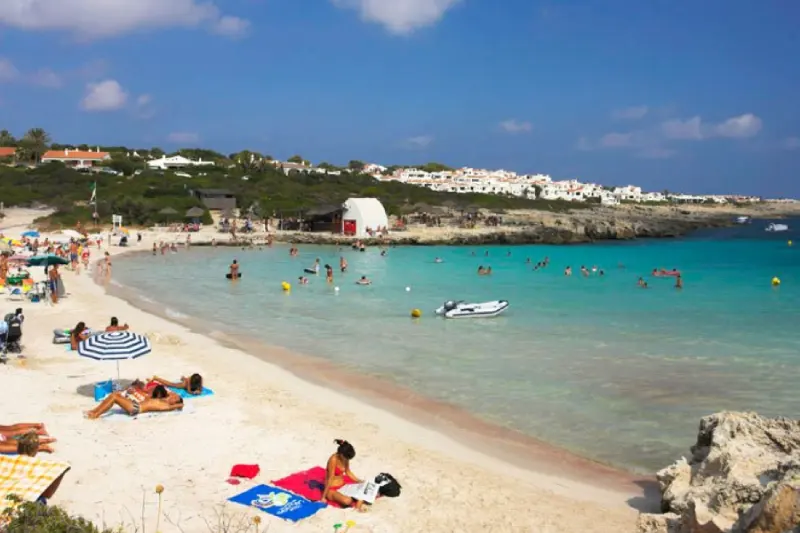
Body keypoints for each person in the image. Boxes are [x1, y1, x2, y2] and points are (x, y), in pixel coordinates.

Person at [85, 384, 183, 419]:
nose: (174, 397)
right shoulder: (162, 399)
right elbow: (168, 393)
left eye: (175, 399)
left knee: (114, 397)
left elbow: (176, 405)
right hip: (135, 405)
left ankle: (96, 414)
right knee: (115, 395)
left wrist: (179, 404)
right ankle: (94, 411)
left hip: (136, 408)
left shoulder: (166, 405)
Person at [320, 439, 365, 510]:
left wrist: (358, 480)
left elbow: (348, 472)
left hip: (343, 486)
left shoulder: (345, 458)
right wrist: (323, 497)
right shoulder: (333, 459)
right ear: (341, 454)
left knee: (363, 488)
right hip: (332, 489)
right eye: (347, 458)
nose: (347, 459)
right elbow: (330, 478)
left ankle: (355, 500)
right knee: (347, 501)